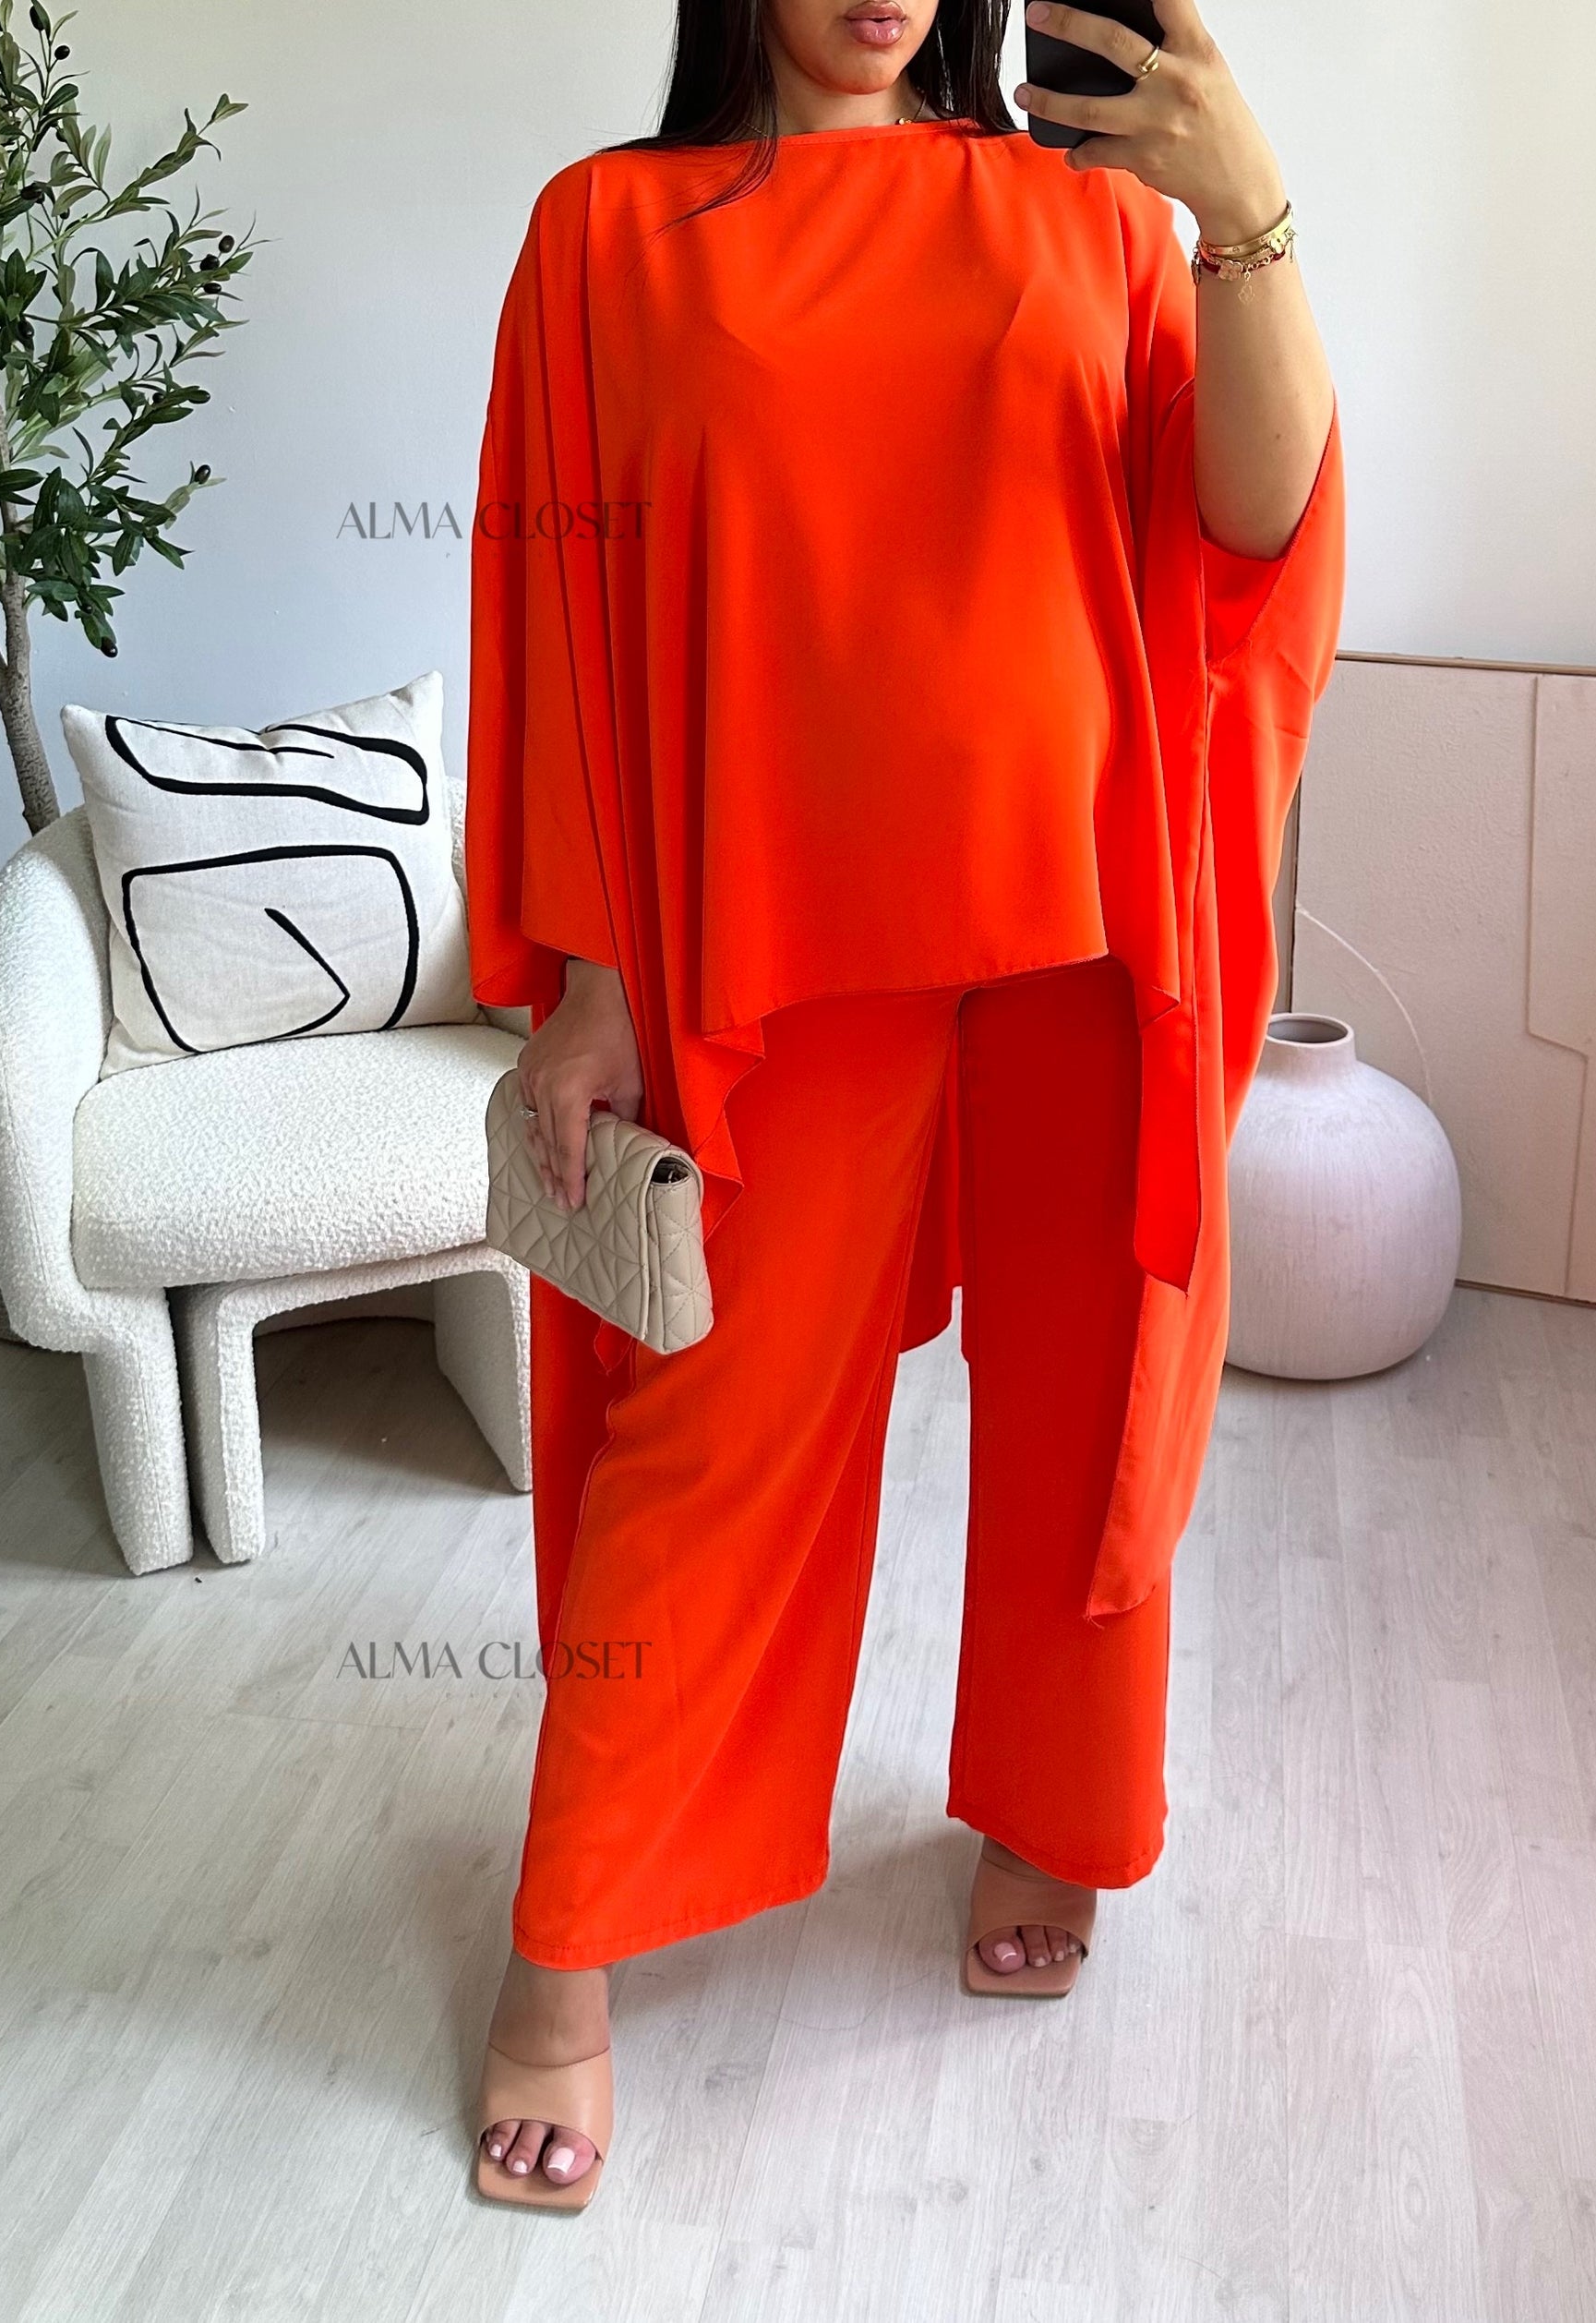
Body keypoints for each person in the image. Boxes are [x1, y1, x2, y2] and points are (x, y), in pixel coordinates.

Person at [465, 0, 1342, 2210]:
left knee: (1086, 1386)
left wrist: (1242, 219)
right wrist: (588, 989)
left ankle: (1049, 1810)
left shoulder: (1089, 221)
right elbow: (566, 615)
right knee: (707, 1428)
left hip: (1078, 925)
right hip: (772, 951)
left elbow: (1252, 526)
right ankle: (563, 1949)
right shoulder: (606, 233)